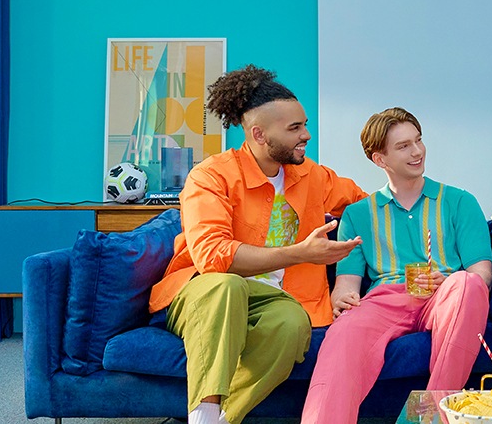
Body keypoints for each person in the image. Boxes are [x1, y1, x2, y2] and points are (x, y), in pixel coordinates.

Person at [148, 65, 369, 424]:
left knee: (292, 323)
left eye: (305, 124)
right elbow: (212, 257)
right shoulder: (212, 176)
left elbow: (369, 208)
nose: (307, 135)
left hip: (275, 299)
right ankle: (203, 412)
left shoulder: (313, 176)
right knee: (227, 285)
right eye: (295, 128)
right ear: (259, 134)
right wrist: (299, 253)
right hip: (206, 292)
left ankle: (222, 418)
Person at [302, 107, 492, 423]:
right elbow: (346, 285)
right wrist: (341, 299)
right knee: (343, 331)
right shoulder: (356, 215)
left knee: (467, 284)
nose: (417, 151)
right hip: (385, 300)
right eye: (403, 146)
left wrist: (448, 281)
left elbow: (481, 275)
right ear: (381, 159)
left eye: (418, 141)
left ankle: (427, 417)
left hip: (447, 295)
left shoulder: (460, 202)